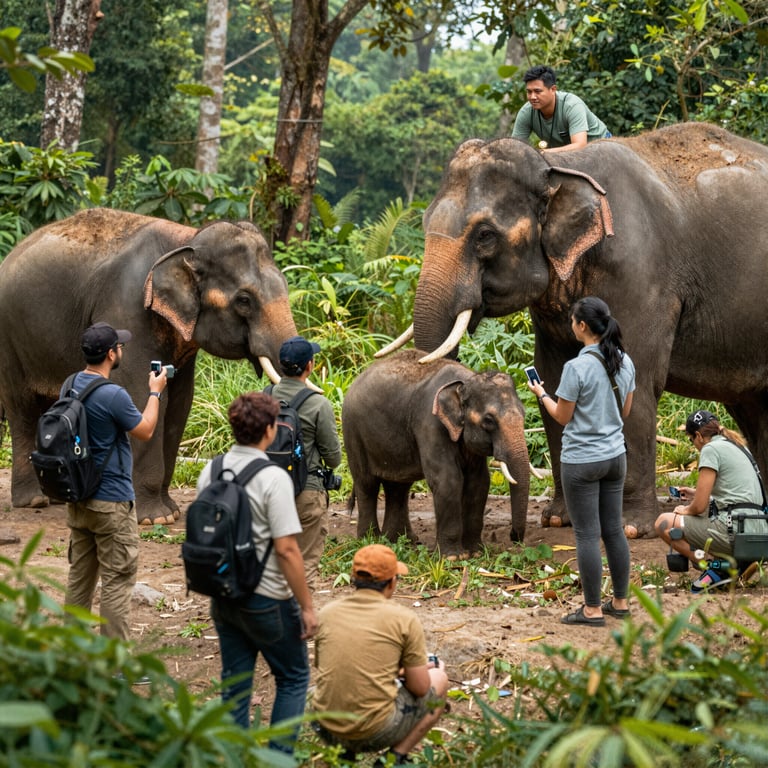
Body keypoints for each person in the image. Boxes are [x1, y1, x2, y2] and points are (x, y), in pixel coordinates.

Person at [197, 391, 317, 754]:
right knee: (293, 677)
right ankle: (277, 758)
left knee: (235, 686)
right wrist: (307, 607)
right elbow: (287, 549)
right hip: (267, 599)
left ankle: (235, 758)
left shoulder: (211, 470)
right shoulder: (273, 478)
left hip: (223, 593)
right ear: (269, 430)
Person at [527, 297, 635, 626]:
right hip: (615, 457)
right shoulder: (625, 361)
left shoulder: (576, 368)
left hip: (581, 461)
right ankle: (620, 602)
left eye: (573, 321)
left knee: (587, 534)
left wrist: (541, 394)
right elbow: (625, 411)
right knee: (613, 530)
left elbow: (562, 416)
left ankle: (591, 610)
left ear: (583, 326)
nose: (571, 325)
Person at [64, 321, 168, 642]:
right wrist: (155, 392)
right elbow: (145, 430)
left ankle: (71, 654)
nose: (122, 350)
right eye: (119, 346)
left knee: (80, 580)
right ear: (111, 354)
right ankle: (114, 661)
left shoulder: (69, 384)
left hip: (78, 497)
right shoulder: (113, 395)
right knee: (117, 580)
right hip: (111, 502)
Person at [313, 544, 449, 765]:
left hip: (326, 727)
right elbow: (421, 688)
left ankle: (342, 756)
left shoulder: (327, 613)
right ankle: (395, 758)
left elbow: (336, 666)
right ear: (392, 582)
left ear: (354, 579)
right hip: (376, 731)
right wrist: (423, 670)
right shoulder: (404, 619)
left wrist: (398, 670)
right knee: (439, 679)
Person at [654, 410, 768, 592]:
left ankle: (713, 567)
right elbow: (736, 494)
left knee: (664, 523)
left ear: (698, 436)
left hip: (735, 531)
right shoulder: (738, 446)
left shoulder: (710, 449)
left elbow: (699, 507)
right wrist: (695, 493)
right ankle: (737, 565)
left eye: (691, 440)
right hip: (759, 529)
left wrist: (686, 509)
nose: (694, 445)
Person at [268, 335, 342, 590]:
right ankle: (298, 613)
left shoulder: (262, 398)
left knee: (271, 565)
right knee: (304, 565)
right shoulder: (318, 404)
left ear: (280, 365)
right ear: (309, 366)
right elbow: (333, 459)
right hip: (306, 493)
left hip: (265, 492)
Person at [512, 65, 611, 152]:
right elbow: (515, 147)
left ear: (553, 89)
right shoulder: (526, 112)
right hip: (568, 153)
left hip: (602, 146)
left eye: (538, 91)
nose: (532, 97)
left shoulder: (572, 105)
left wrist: (541, 154)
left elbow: (580, 146)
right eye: (529, 92)